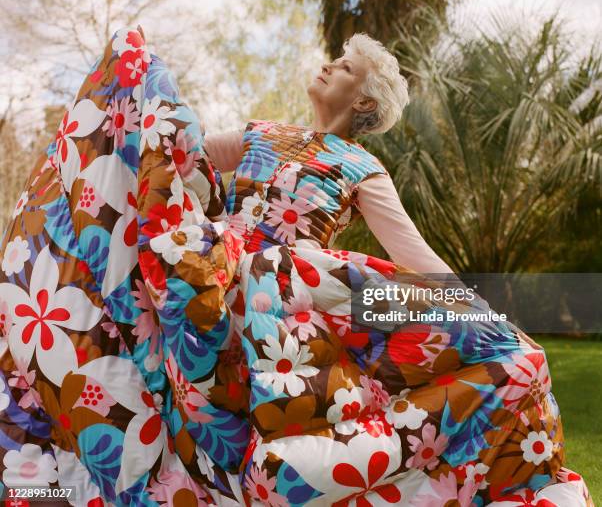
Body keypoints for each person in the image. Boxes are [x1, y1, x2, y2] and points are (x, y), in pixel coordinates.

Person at [0, 26, 592, 506]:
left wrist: (484, 313)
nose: (329, 66)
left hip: (283, 304)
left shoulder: (360, 168)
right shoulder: (263, 133)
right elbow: (177, 157)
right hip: (210, 273)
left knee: (506, 359)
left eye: (345, 67)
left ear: (363, 100)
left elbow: (414, 257)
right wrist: (135, 116)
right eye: (336, 58)